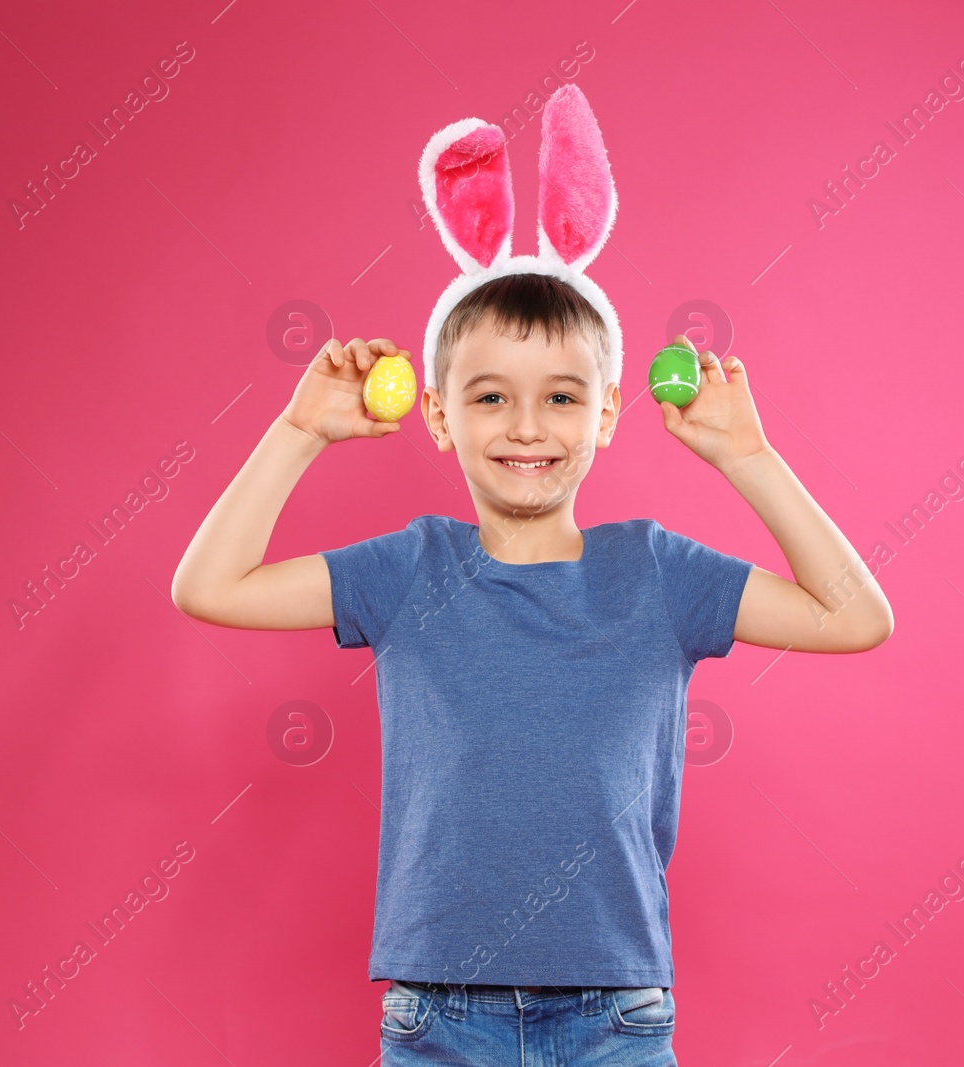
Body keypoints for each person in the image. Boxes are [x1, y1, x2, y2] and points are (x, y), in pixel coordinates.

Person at [171, 88, 892, 1067]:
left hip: (615, 1016)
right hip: (439, 1015)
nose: (524, 425)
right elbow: (208, 585)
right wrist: (298, 432)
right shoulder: (406, 568)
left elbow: (854, 617)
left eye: (560, 397)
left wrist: (746, 459)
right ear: (437, 414)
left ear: (603, 416)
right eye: (489, 396)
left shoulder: (656, 571)